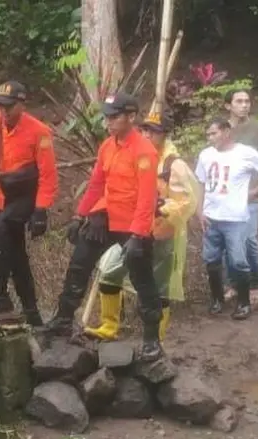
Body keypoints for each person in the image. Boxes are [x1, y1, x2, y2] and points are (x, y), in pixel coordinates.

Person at [44, 92, 164, 361]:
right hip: (106, 217)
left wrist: (138, 234)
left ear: (131, 117)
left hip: (134, 223)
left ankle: (152, 340)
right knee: (79, 264)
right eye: (107, 116)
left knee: (143, 280)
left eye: (115, 116)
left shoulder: (144, 151)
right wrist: (80, 215)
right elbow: (97, 183)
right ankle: (63, 319)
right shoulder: (107, 146)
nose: (108, 121)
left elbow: (147, 196)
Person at [84, 111, 199, 342]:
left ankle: (156, 341)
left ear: (164, 135)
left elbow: (188, 201)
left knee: (159, 288)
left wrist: (162, 208)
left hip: (160, 234)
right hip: (131, 231)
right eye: (144, 130)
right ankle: (109, 326)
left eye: (153, 132)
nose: (147, 135)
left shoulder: (173, 165)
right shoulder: (134, 154)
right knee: (109, 270)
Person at [0, 81, 58, 324]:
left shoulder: (39, 132)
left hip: (27, 196)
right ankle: (31, 312)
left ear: (21, 104)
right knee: (16, 253)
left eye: (9, 106)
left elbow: (48, 175)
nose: (4, 111)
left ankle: (0, 295)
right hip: (3, 195)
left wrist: (41, 210)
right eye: (0, 106)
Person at [195, 118, 258, 320]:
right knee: (212, 259)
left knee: (238, 260)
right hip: (211, 216)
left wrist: (255, 191)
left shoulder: (244, 153)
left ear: (226, 132)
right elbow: (200, 183)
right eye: (208, 134)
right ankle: (217, 299)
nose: (210, 138)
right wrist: (199, 211)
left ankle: (243, 302)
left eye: (213, 133)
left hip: (235, 217)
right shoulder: (206, 155)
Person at [223, 89, 258, 308]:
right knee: (228, 241)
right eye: (239, 101)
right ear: (228, 105)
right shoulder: (221, 130)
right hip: (225, 197)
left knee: (249, 240)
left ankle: (254, 284)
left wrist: (257, 190)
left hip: (249, 196)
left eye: (247, 101)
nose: (244, 105)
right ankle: (233, 283)